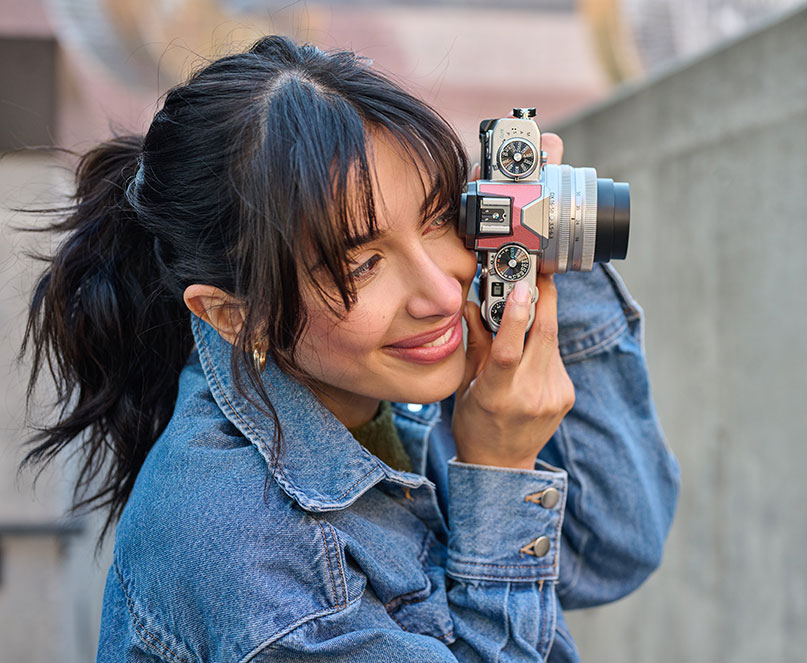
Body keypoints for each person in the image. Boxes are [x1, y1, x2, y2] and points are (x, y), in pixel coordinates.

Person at [20, 35, 679, 662]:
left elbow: (611, 546)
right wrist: (501, 471)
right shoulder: (244, 544)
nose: (442, 294)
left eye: (440, 216)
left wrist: (546, 250)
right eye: (361, 264)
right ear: (232, 313)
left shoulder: (359, 386)